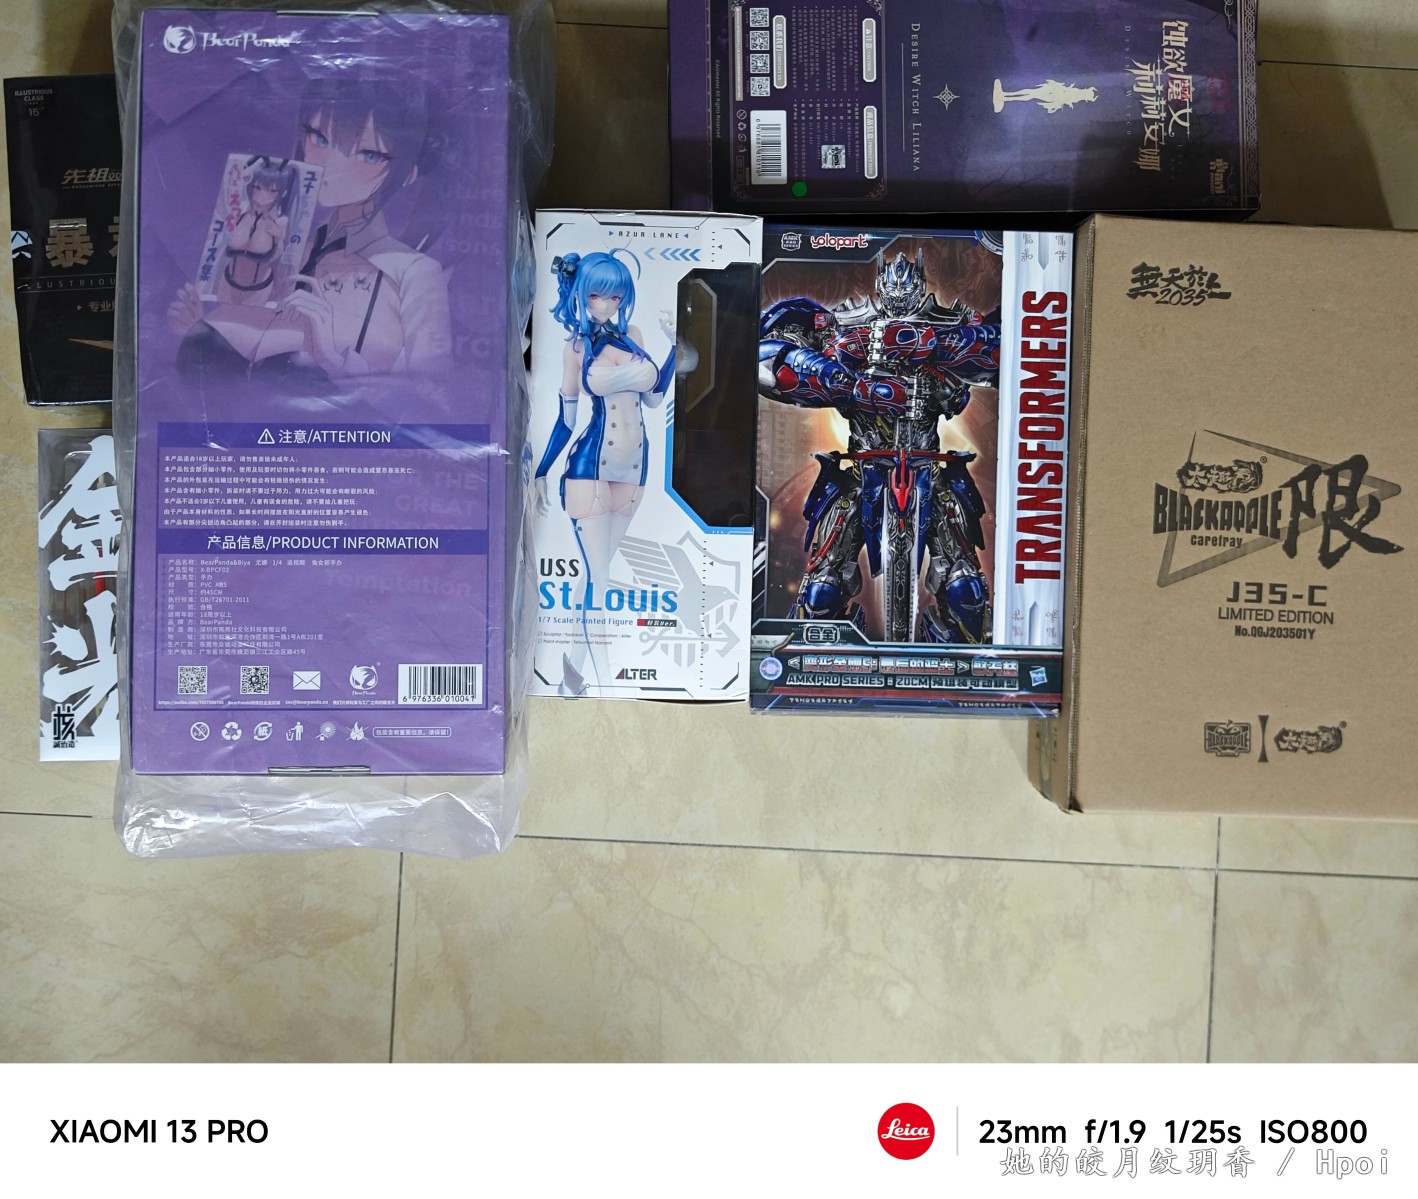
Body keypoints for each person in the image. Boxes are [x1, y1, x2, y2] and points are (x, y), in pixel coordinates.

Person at [170, 79, 451, 380]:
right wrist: (203, 336)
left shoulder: (415, 272)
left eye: (369, 155)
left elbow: (430, 387)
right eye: (318, 139)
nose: (331, 166)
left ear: (407, 174)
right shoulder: (296, 246)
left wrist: (332, 357)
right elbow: (252, 319)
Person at [533, 250, 682, 693]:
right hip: (589, 471)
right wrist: (541, 471)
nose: (607, 305)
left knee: (592, 576)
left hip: (635, 471)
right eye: (598, 295)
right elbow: (566, 420)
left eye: (616, 297)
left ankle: (570, 680)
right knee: (599, 581)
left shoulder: (633, 336)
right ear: (581, 294)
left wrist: (675, 347)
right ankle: (605, 685)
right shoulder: (576, 349)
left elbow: (654, 397)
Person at [216, 159, 296, 306]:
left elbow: (282, 257)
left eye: (272, 191)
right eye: (258, 188)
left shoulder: (280, 222)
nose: (262, 195)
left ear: (282, 193)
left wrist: (278, 234)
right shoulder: (239, 210)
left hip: (259, 288)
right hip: (228, 281)